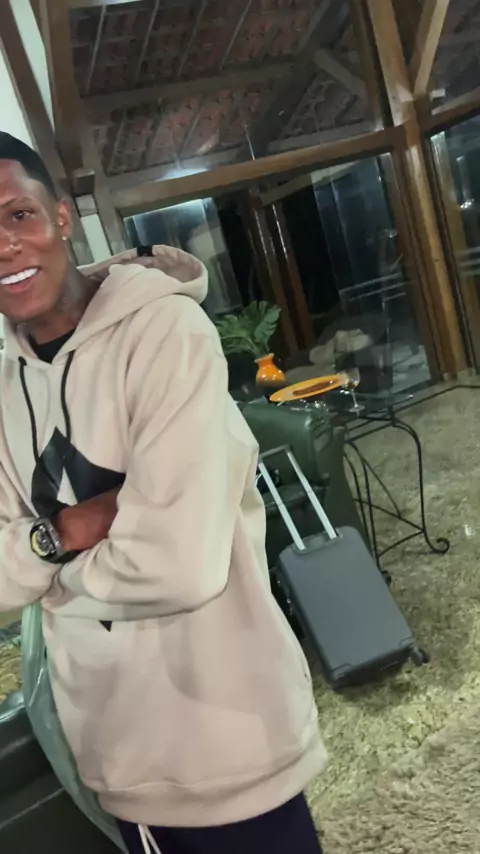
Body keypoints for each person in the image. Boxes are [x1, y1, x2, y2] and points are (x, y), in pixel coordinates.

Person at [0, 133, 327, 854]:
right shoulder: (4, 390)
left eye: (17, 214)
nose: (3, 245)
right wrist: (61, 533)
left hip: (230, 739)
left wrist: (48, 581)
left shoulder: (167, 333)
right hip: (119, 752)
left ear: (61, 216)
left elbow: (180, 564)